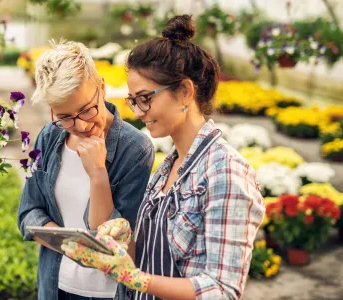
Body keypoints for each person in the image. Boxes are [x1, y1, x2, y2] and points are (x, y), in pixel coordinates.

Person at [62, 15, 265, 300]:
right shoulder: (168, 167)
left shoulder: (225, 173)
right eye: (133, 100)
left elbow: (222, 289)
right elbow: (147, 259)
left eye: (145, 98)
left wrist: (137, 279)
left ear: (184, 92)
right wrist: (120, 243)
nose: (137, 112)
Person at [17, 40, 156, 300]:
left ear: (102, 88)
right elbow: (28, 213)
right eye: (65, 117)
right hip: (54, 286)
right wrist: (71, 246)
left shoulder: (135, 150)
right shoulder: (49, 137)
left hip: (106, 293)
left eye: (86, 110)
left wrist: (97, 174)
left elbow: (114, 243)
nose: (80, 125)